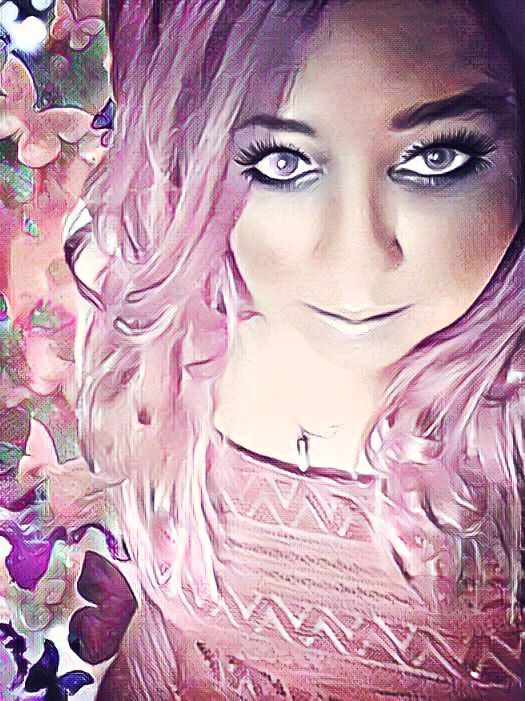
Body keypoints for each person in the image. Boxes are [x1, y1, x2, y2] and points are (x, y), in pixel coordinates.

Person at [68, 0, 525, 698]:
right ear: (193, 161)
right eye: (283, 162)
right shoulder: (164, 328)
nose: (357, 257)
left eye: (437, 157)